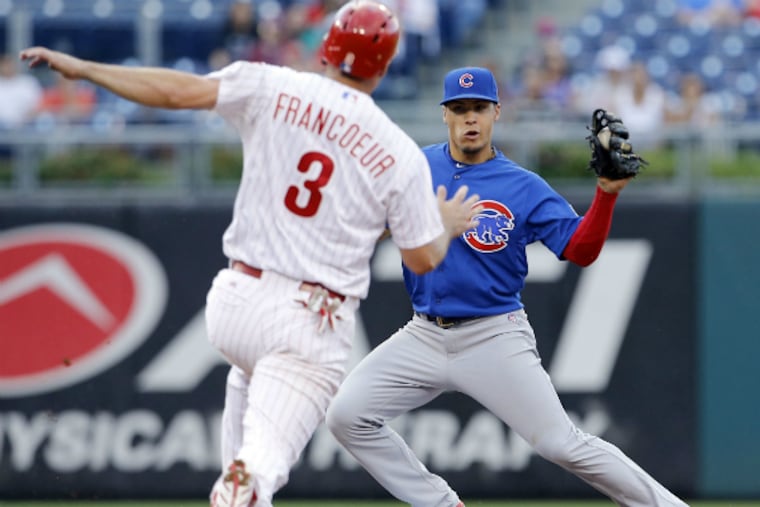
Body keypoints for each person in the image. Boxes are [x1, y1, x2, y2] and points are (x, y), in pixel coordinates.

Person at [20, 2, 481, 506]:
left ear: (327, 46)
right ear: (386, 64)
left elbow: (176, 91)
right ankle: (246, 480)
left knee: (246, 427)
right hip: (307, 323)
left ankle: (238, 480)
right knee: (260, 469)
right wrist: (446, 226)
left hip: (236, 302)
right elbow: (420, 259)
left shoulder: (272, 85)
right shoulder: (398, 151)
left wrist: (86, 69)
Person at [326, 66, 689, 507]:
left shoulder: (522, 185)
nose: (470, 118)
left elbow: (580, 249)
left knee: (560, 442)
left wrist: (606, 194)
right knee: (347, 415)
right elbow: (365, 224)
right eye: (459, 109)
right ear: (445, 115)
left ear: (496, 112)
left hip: (493, 334)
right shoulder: (415, 166)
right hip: (423, 333)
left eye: (478, 107)